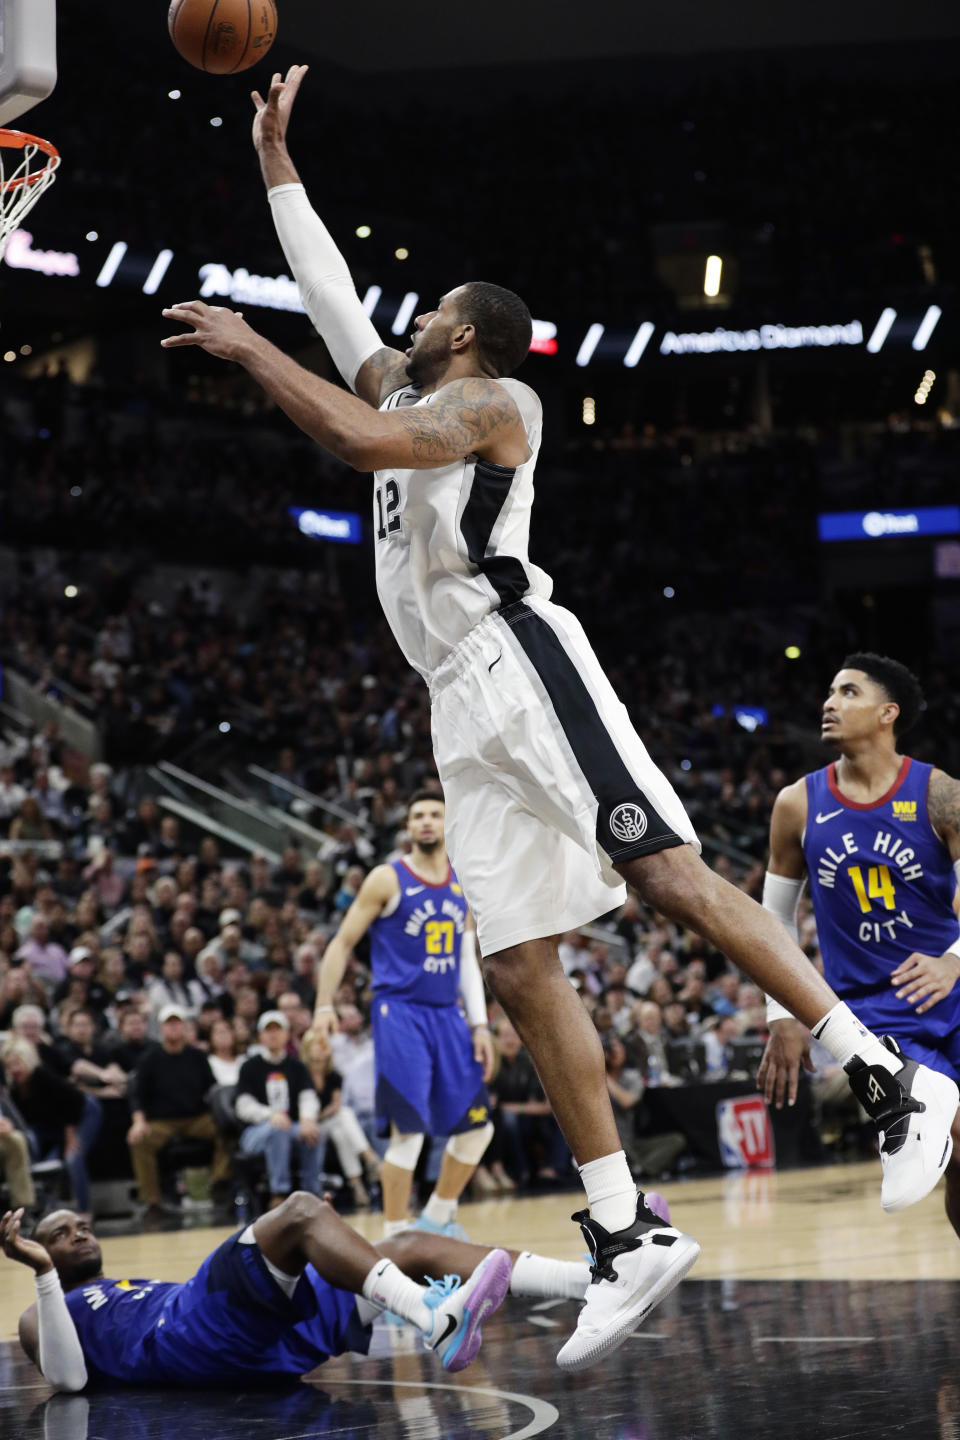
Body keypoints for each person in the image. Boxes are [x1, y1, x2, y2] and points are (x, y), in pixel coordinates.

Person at [157, 65, 956, 1368]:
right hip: (452, 711)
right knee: (522, 962)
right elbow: (332, 298)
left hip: (519, 659)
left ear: (468, 333)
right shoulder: (413, 387)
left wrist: (250, 355)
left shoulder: (496, 404)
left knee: (668, 872)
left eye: (432, 310)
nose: (407, 318)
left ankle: (890, 1083)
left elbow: (359, 444)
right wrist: (274, 159)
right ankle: (624, 1226)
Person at [758, 654, 960, 1233]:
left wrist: (952, 961)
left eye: (848, 692)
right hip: (869, 1012)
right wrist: (782, 1016)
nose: (829, 703)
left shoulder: (939, 794)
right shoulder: (797, 803)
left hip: (950, 988)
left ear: (886, 713)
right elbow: (774, 918)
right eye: (829, 692)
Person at [1, 1201, 591, 1386]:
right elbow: (70, 1381)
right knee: (301, 1215)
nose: (78, 1232)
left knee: (410, 1243)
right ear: (38, 1248)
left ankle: (594, 1280)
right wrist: (42, 1274)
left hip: (255, 1346)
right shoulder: (43, 1311)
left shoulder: (126, 1286)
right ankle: (431, 1318)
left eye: (82, 1225)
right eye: (60, 1233)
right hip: (185, 1334)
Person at [312, 792, 494, 1240]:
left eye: (435, 814)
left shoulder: (461, 881)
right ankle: (395, 1238)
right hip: (400, 1013)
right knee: (407, 1133)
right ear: (408, 827)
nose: (426, 821)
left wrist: (480, 1024)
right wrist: (323, 1006)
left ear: (448, 823)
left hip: (448, 1015)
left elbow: (466, 958)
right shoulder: (386, 878)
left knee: (477, 1130)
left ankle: (435, 1220)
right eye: (418, 816)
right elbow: (340, 944)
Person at [126, 1004, 231, 1222]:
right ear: (162, 1028)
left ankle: (220, 1183)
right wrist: (138, 1121)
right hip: (161, 1121)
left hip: (196, 1118)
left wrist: (220, 1114)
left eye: (177, 1023)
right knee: (139, 1140)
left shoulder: (198, 1057)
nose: (173, 1028)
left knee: (227, 1128)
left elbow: (212, 1090)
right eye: (169, 1024)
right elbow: (136, 1093)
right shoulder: (150, 1058)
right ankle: (152, 1200)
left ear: (184, 1027)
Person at [235, 1012, 324, 1207]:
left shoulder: (297, 1066)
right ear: (260, 1036)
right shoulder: (249, 1066)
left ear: (286, 1034)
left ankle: (312, 1193)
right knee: (278, 1130)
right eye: (268, 1030)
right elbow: (243, 1106)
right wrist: (270, 1115)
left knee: (316, 1133)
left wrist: (307, 1119)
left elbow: (308, 1096)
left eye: (278, 1030)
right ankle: (279, 1193)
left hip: (290, 1126)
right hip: (256, 1132)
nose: (273, 1035)